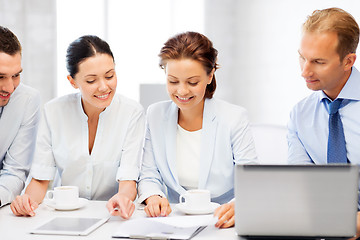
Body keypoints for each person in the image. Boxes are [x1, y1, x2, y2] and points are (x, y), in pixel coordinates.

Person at [10, 35, 145, 219]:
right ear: (72, 81)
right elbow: (41, 180)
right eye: (91, 81)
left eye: (110, 76)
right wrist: (26, 201)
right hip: (63, 215)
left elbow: (128, 180)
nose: (104, 87)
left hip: (110, 215)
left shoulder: (132, 113)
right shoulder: (53, 112)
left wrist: (122, 198)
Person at [137, 31, 257, 228]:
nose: (182, 91)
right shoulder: (155, 114)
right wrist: (153, 196)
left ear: (210, 76)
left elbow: (251, 178)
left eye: (192, 82)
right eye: (173, 81)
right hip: (172, 219)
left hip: (220, 219)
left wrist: (239, 205)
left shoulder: (234, 118)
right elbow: (149, 174)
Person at [287, 7, 360, 237]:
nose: (305, 71)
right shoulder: (300, 115)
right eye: (302, 57)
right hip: (323, 228)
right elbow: (300, 186)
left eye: (318, 61)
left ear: (348, 61)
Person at [0, 26, 41, 207]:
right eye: (0, 77)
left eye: (16, 75)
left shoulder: (27, 100)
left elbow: (14, 172)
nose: (9, 88)